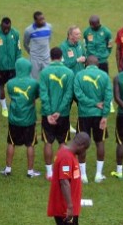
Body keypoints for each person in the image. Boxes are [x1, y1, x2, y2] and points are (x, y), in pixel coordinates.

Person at [74, 55, 112, 183]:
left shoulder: (79, 75)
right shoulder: (104, 76)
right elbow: (108, 97)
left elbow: (78, 95)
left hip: (84, 114)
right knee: (100, 142)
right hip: (99, 115)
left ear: (86, 64)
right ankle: (98, 174)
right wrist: (105, 115)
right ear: (98, 64)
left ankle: (83, 176)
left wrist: (90, 102)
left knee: (81, 144)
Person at [0, 58, 41, 178]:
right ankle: (30, 171)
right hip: (29, 119)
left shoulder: (11, 83)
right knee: (30, 144)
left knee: (11, 142)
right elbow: (36, 95)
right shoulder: (34, 83)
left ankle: (8, 169)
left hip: (14, 118)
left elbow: (11, 95)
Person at [39, 48, 75, 181]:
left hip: (47, 114)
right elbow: (68, 94)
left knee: (48, 142)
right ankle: (61, 169)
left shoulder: (44, 72)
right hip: (63, 114)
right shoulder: (69, 72)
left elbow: (43, 94)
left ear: (50, 56)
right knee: (63, 142)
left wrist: (49, 113)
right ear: (61, 57)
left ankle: (49, 173)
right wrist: (59, 111)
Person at [47, 132, 91, 225]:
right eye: (85, 149)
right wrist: (70, 207)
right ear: (82, 146)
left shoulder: (68, 153)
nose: (84, 152)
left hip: (68, 207)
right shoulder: (66, 157)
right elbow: (64, 181)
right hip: (65, 209)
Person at [0, 17, 22, 117]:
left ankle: (14, 105)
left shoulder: (15, 33)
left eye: (8, 28)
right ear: (1, 25)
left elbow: (18, 50)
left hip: (13, 67)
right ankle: (4, 108)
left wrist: (18, 64)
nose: (6, 30)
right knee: (0, 86)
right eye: (4, 28)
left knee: (15, 87)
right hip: (1, 68)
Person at [83, 15, 114, 113]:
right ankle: (92, 102)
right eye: (90, 25)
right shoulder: (87, 32)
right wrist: (88, 57)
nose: (92, 26)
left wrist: (105, 55)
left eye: (94, 25)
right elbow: (85, 45)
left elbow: (110, 45)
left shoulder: (106, 32)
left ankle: (109, 103)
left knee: (105, 82)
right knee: (90, 82)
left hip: (102, 62)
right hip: (90, 63)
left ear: (98, 23)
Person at [24, 11, 52, 79]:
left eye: (43, 19)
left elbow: (49, 39)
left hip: (46, 57)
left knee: (48, 77)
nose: (43, 21)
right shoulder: (29, 30)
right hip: (35, 58)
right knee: (34, 78)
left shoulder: (49, 27)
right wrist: (31, 52)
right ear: (35, 20)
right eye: (40, 20)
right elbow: (25, 44)